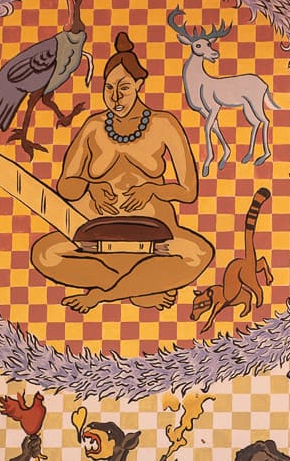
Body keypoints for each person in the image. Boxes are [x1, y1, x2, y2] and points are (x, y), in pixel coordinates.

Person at [30, 32, 213, 313]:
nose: (115, 97)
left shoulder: (164, 124)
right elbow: (65, 185)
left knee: (199, 254)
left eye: (124, 88)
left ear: (139, 85)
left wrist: (152, 189)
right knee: (44, 254)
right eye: (109, 88)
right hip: (94, 235)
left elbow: (189, 191)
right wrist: (90, 186)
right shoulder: (93, 126)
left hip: (155, 237)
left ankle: (101, 295)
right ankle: (138, 289)